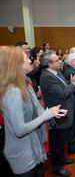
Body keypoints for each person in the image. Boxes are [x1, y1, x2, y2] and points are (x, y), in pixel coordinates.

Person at [0, 46, 63, 176]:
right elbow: (19, 130)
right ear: (15, 64)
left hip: (34, 147)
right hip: (22, 152)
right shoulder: (13, 91)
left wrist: (52, 112)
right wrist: (45, 116)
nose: (30, 61)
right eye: (26, 59)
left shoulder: (25, 84)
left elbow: (38, 111)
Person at [39, 50, 75, 177]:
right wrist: (74, 83)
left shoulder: (56, 72)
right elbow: (63, 93)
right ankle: (57, 168)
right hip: (58, 113)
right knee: (57, 143)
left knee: (61, 139)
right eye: (57, 60)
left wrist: (74, 81)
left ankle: (62, 160)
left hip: (64, 111)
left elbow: (64, 86)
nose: (60, 61)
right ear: (49, 64)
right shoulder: (47, 77)